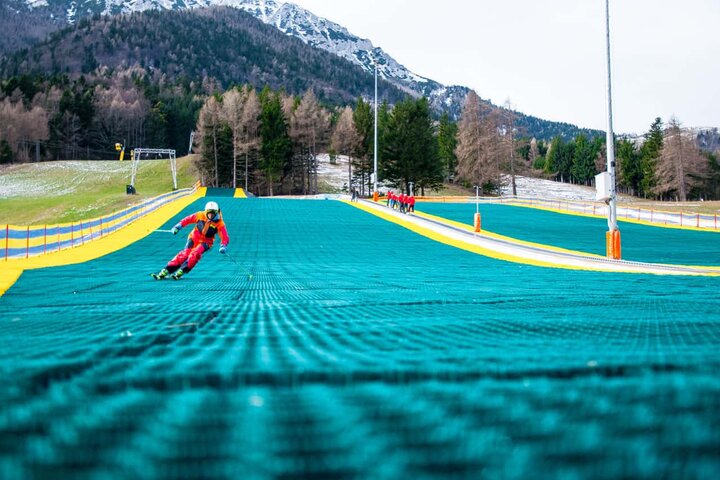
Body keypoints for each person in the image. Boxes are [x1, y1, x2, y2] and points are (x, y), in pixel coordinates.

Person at [151, 201, 229, 280]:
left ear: (216, 212)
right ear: (206, 212)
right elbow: (187, 220)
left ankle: (183, 270)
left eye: (213, 213)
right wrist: (177, 227)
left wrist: (223, 245)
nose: (211, 215)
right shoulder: (200, 215)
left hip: (206, 242)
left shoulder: (219, 223)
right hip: (194, 238)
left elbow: (225, 236)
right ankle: (167, 269)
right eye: (209, 213)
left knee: (196, 253)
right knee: (185, 254)